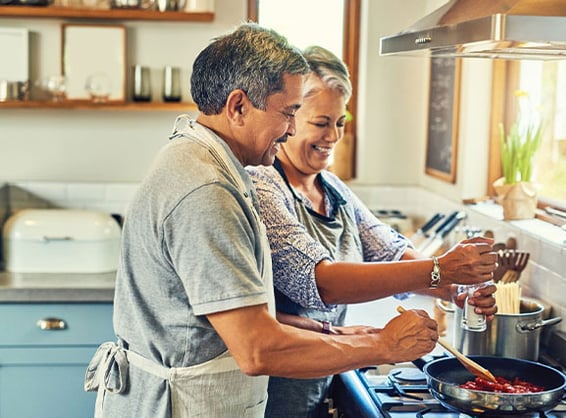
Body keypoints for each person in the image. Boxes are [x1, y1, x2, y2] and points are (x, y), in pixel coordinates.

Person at [83, 23, 446, 418]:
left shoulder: (208, 163)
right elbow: (258, 348)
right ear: (238, 106)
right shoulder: (206, 191)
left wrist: (335, 332)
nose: (291, 129)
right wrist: (384, 347)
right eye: (289, 113)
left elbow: (230, 316)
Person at [247, 45, 498, 418]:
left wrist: (457, 288)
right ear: (291, 118)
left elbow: (391, 251)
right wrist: (442, 269)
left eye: (341, 122)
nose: (333, 136)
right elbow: (317, 282)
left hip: (324, 380)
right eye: (321, 122)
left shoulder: (332, 189)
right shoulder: (262, 183)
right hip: (272, 393)